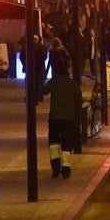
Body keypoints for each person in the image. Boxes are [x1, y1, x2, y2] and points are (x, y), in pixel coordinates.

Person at [46, 52, 82, 180]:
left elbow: (44, 91)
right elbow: (79, 101)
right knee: (67, 144)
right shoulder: (72, 83)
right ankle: (66, 167)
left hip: (54, 118)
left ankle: (55, 168)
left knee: (54, 142)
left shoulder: (54, 81)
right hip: (69, 119)